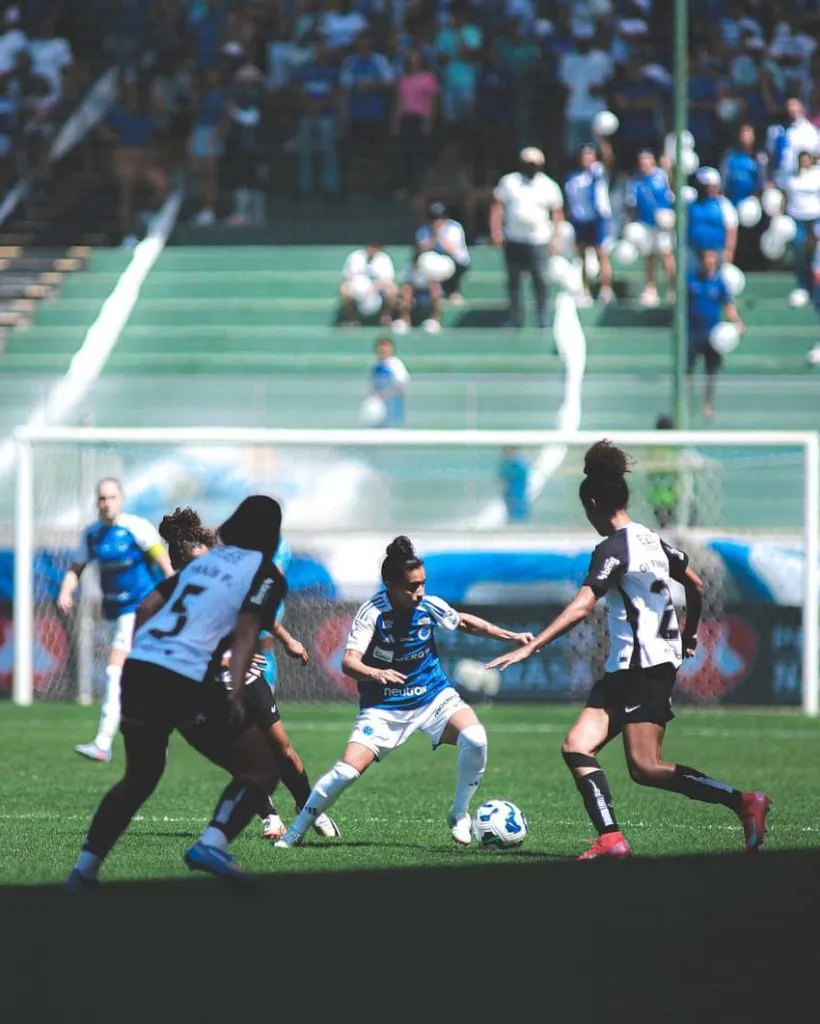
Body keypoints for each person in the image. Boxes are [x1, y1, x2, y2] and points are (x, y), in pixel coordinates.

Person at [486, 441, 771, 860]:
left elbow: (585, 603)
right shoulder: (653, 541)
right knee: (576, 746)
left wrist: (534, 646)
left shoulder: (614, 548)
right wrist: (689, 633)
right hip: (630, 668)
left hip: (643, 670)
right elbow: (694, 584)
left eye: (588, 512)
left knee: (646, 767)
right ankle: (611, 840)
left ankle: (743, 801)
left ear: (596, 503)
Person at [64, 495, 289, 890]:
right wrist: (235, 693)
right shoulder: (267, 573)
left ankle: (83, 871)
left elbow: (148, 605)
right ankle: (212, 843)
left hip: (140, 671)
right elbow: (246, 633)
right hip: (183, 678)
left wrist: (141, 651)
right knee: (261, 769)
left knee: (139, 777)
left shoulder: (205, 563)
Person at [273, 536, 534, 849]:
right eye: (411, 586)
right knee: (346, 772)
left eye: (422, 583)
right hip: (385, 708)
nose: (419, 592)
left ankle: (459, 813)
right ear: (390, 584)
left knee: (476, 739)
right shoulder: (372, 613)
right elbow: (349, 662)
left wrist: (512, 636)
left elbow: (464, 622)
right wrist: (376, 673)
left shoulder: (428, 605)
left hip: (433, 697)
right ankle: (296, 831)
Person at [142, 507, 339, 843]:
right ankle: (270, 818)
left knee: (283, 750)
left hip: (246, 678)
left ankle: (307, 807)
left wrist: (289, 640)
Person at [58, 478, 174, 763]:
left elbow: (165, 565)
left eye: (111, 497)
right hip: (112, 612)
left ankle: (103, 742)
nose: (106, 503)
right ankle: (158, 733)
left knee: (114, 670)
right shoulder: (92, 534)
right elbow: (76, 567)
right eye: (101, 498)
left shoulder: (136, 528)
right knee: (140, 677)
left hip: (140, 609)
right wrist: (65, 590)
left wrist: (178, 592)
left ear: (121, 500)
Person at [490, 146, 565, 329]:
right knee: (513, 280)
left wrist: (556, 238)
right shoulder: (509, 182)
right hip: (515, 238)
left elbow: (557, 213)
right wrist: (496, 230)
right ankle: (515, 318)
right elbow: (497, 207)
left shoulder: (549, 185)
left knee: (540, 280)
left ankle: (542, 319)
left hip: (538, 240)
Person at [687, 248, 746, 421]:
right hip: (691, 334)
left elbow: (728, 306)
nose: (709, 261)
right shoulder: (690, 280)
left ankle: (707, 404)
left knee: (710, 373)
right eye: (706, 258)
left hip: (712, 336)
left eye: (712, 258)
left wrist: (738, 324)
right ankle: (687, 402)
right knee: (688, 370)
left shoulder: (719, 283)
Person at [564, 143, 614, 306]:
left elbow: (609, 160)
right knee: (582, 256)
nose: (587, 158)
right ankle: (584, 290)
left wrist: (603, 139)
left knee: (602, 254)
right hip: (581, 220)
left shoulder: (599, 172)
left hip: (598, 219)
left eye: (591, 154)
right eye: (584, 155)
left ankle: (606, 290)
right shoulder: (573, 178)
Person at [624, 150, 675, 307]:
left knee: (667, 256)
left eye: (647, 160)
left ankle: (672, 290)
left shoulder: (662, 175)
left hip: (662, 224)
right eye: (641, 160)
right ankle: (650, 289)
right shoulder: (634, 182)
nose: (644, 163)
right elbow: (631, 205)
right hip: (645, 223)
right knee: (650, 257)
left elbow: (673, 190)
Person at [783, 150, 820, 308]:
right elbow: (785, 198)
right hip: (797, 217)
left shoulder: (817, 176)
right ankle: (801, 283)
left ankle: (814, 286)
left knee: (815, 253)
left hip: (815, 217)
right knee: (799, 248)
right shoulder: (790, 179)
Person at [415, 200, 470, 304]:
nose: (437, 221)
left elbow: (452, 249)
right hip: (435, 260)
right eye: (434, 218)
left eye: (440, 218)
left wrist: (439, 234)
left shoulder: (454, 227)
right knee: (425, 262)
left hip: (455, 261)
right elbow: (421, 247)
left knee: (450, 262)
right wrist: (433, 237)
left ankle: (454, 292)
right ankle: (431, 294)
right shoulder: (425, 229)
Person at [687, 166, 739, 268]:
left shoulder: (724, 204)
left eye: (712, 186)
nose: (709, 189)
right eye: (706, 186)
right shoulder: (689, 200)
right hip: (693, 251)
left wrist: (729, 250)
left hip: (717, 253)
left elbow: (731, 228)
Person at [339, 240, 396, 327]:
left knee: (392, 290)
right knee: (344, 290)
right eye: (370, 246)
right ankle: (351, 320)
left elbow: (387, 279)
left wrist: (373, 289)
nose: (372, 249)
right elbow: (348, 277)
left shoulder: (384, 258)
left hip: (378, 290)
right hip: (358, 288)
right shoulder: (355, 256)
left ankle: (386, 318)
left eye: (375, 246)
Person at [368, 336, 409, 427]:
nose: (383, 350)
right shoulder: (375, 364)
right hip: (378, 405)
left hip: (392, 404)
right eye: (381, 347)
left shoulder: (395, 364)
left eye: (386, 347)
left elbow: (401, 384)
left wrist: (387, 393)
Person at [498, 446, 530, 523]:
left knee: (518, 509)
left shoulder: (519, 463)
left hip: (517, 493)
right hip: (510, 493)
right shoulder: (506, 463)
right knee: (511, 508)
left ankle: (519, 522)